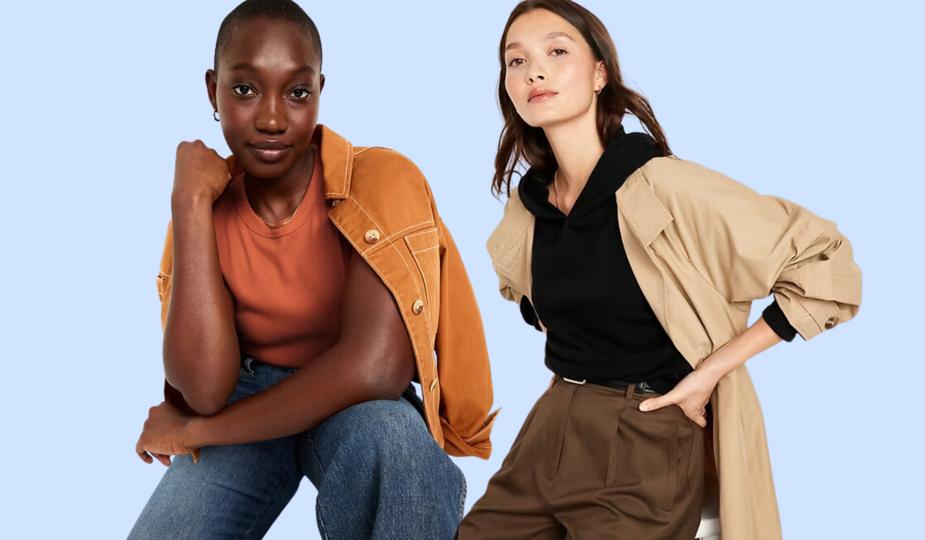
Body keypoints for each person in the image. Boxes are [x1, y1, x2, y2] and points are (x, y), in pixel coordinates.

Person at [457, 1, 862, 539]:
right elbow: (527, 296)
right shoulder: (530, 206)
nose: (535, 71)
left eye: (557, 51)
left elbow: (824, 260)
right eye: (516, 60)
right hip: (549, 424)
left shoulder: (664, 186)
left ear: (600, 73)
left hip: (643, 431)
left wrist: (707, 375)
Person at [128, 1, 499, 538]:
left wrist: (197, 430)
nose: (273, 118)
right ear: (212, 90)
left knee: (399, 453)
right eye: (245, 90)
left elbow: (376, 368)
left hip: (358, 403)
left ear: (321, 91)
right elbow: (206, 389)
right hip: (244, 395)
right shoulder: (205, 208)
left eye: (297, 92)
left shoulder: (383, 181)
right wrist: (187, 205)